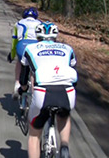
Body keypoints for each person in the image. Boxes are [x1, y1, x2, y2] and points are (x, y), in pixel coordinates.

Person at [18, 22, 77, 158]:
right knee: (64, 116)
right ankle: (64, 146)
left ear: (38, 37)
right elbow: (73, 71)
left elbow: (24, 74)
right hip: (67, 92)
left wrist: (23, 88)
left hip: (43, 92)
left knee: (34, 135)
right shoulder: (68, 49)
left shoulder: (30, 48)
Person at [7, 7, 41, 99]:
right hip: (36, 48)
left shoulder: (18, 23)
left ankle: (17, 84)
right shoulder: (40, 24)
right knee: (34, 68)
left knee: (20, 61)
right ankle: (35, 95)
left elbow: (14, 41)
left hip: (22, 46)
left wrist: (12, 55)